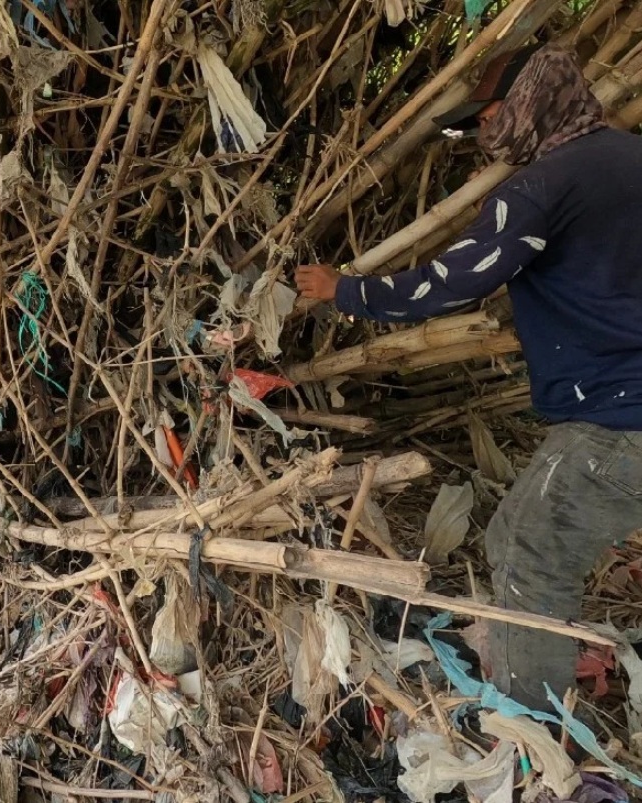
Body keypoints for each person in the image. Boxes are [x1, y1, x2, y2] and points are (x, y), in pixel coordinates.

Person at [294, 44, 642, 711]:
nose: (483, 136)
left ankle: (532, 730)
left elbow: (452, 283)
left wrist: (346, 291)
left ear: (528, 103)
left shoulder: (542, 187)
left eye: (488, 118)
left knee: (525, 545)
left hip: (619, 414)